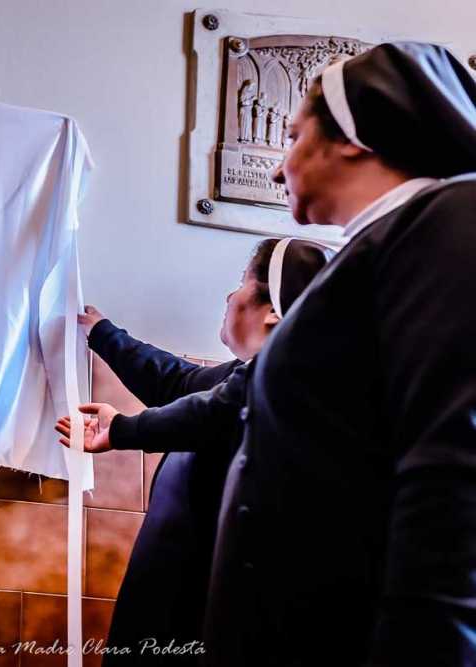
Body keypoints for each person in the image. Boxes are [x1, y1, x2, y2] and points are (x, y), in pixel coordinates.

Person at [203, 43, 476, 666]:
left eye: (293, 137)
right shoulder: (379, 246)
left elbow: (452, 473)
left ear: (351, 140)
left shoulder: (450, 222)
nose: (278, 171)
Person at [56, 238, 329, 664]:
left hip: (207, 613)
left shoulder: (282, 388)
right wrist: (103, 333)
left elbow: (209, 412)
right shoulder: (240, 378)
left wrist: (122, 429)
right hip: (165, 599)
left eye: (241, 283)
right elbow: (176, 382)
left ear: (272, 311)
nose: (229, 296)